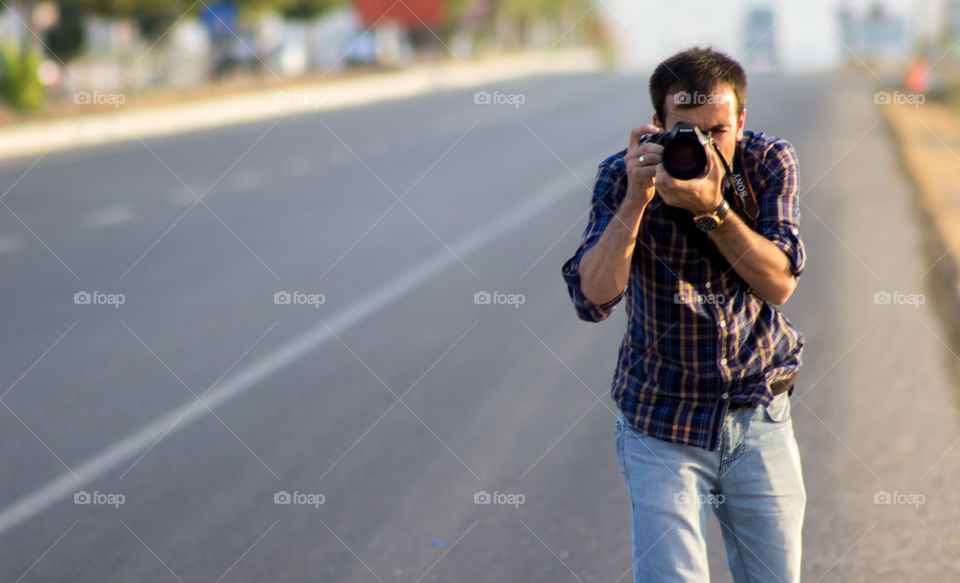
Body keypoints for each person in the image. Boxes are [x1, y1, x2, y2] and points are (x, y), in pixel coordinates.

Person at [561, 47, 806, 582]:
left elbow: (780, 282)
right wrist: (633, 200)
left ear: (741, 121)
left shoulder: (766, 163)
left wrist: (713, 211)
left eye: (717, 130)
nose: (703, 145)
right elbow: (593, 300)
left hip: (758, 408)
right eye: (686, 132)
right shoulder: (623, 176)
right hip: (660, 418)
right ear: (657, 128)